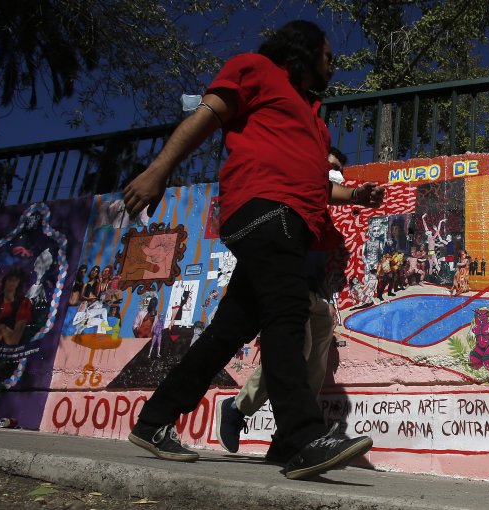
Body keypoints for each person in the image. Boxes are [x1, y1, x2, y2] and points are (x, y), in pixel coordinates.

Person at [122, 20, 384, 481]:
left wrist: (356, 197)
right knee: (287, 317)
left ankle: (154, 420)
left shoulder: (314, 120)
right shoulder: (256, 70)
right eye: (327, 55)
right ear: (303, 50)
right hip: (265, 209)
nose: (332, 65)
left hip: (293, 224)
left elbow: (319, 184)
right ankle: (300, 439)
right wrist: (159, 170)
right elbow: (205, 117)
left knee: (227, 332)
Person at [216, 150, 351, 462]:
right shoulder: (290, 198)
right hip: (288, 289)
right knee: (292, 354)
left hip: (315, 294)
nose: (335, 172)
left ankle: (286, 440)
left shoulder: (321, 213)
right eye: (331, 165)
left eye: (339, 169)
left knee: (315, 365)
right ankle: (238, 409)